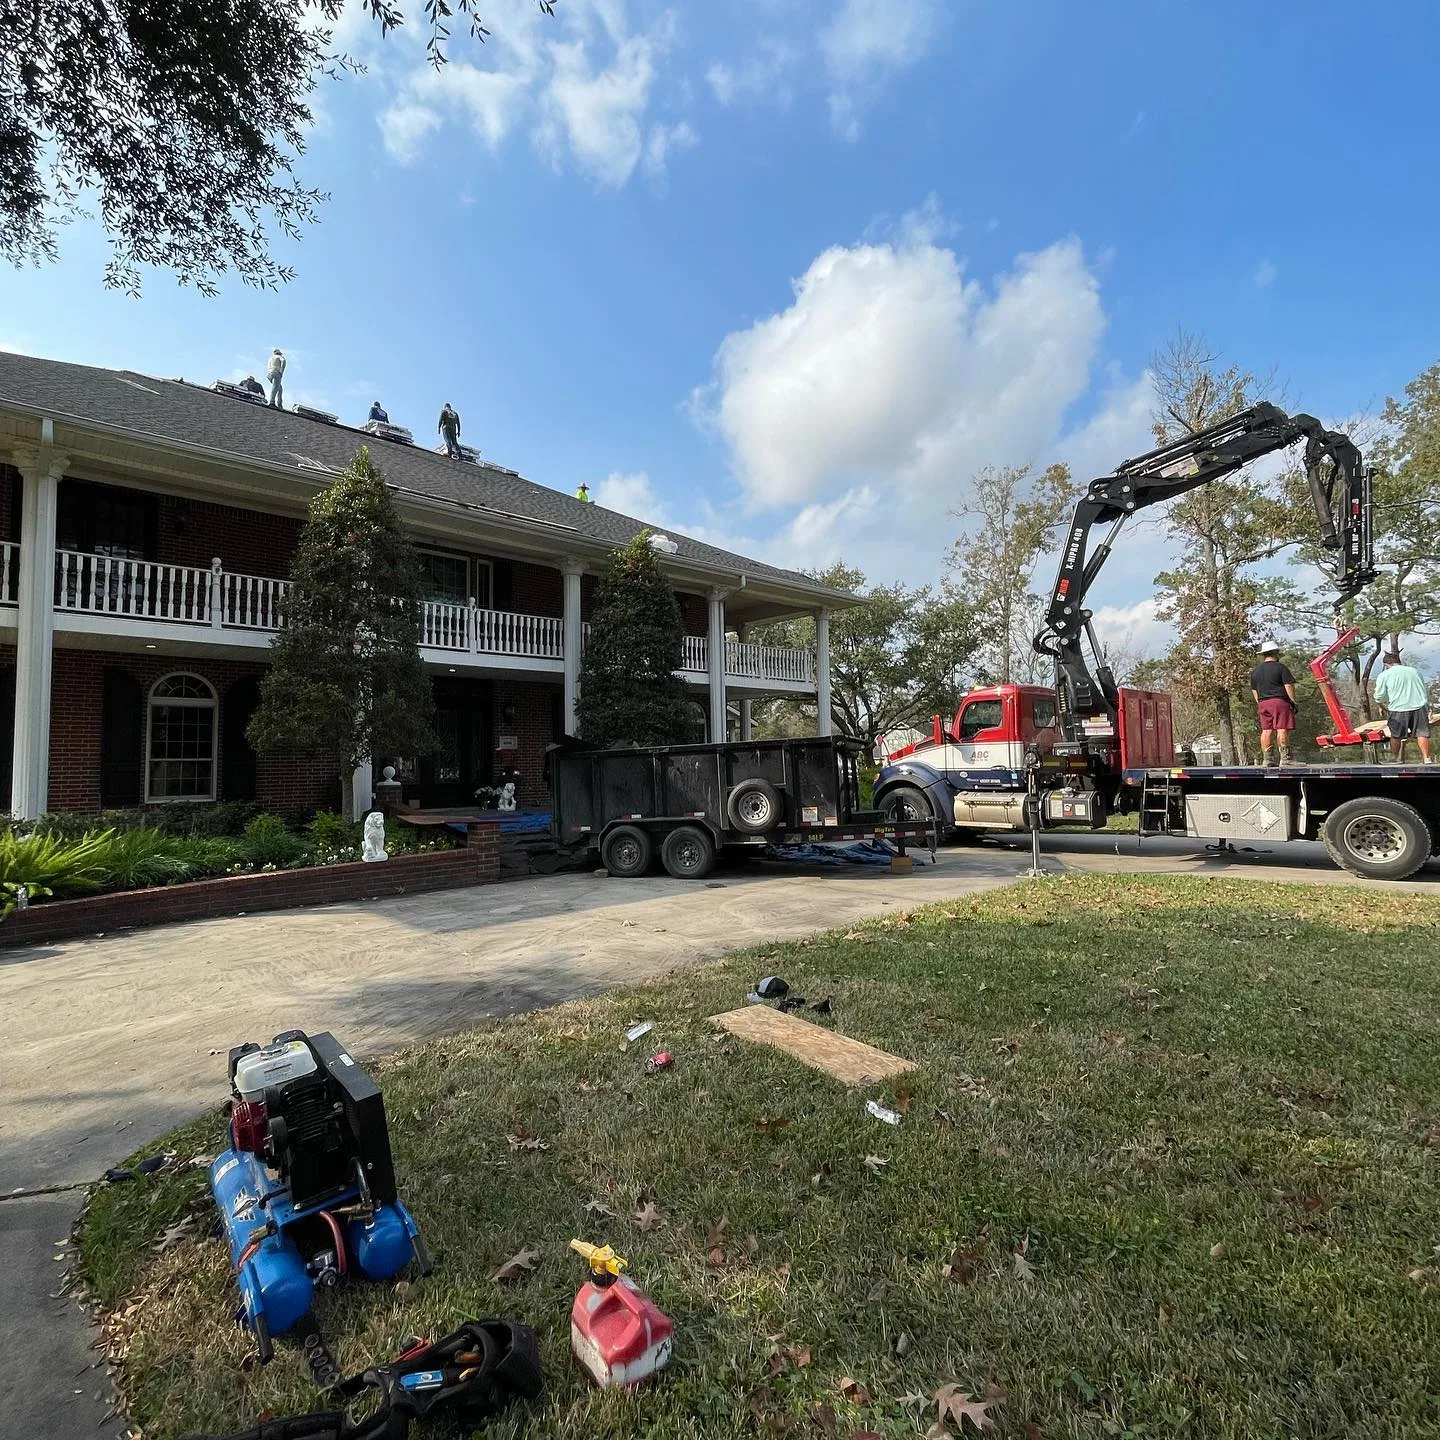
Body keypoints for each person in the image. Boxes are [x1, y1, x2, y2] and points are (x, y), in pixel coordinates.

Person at [1373, 650, 1432, 762]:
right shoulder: (1414, 671)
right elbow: (1423, 689)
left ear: (1386, 665)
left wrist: (1380, 703)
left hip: (1398, 708)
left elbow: (1380, 695)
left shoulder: (1384, 675)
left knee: (1396, 735)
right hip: (1419, 706)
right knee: (1422, 733)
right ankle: (1426, 758)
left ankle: (1395, 759)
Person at [1249, 640, 1297, 767]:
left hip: (1263, 702)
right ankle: (1285, 758)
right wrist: (1293, 701)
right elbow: (1288, 685)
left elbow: (1254, 690)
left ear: (1263, 654)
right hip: (1279, 701)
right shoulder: (1281, 668)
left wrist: (1260, 702)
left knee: (1266, 730)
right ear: (1276, 653)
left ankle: (1267, 759)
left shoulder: (1256, 671)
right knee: (1282, 728)